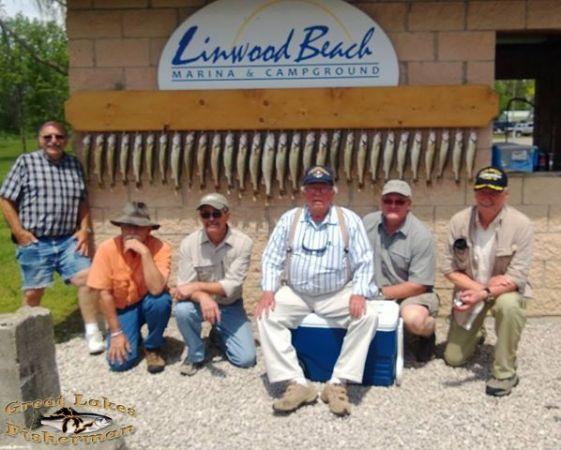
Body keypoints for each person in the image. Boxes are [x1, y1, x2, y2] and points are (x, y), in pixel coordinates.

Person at [255, 165, 378, 416]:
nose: (317, 193)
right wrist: (268, 291)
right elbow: (271, 258)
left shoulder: (349, 220)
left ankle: (338, 383)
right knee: (265, 315)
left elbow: (364, 261)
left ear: (333, 192)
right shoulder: (290, 220)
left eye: (323, 188)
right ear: (304, 192)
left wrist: (359, 292)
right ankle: (297, 382)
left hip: (336, 293)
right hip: (297, 293)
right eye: (312, 188)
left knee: (368, 317)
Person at [0, 121, 104, 355]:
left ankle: (92, 331)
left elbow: (83, 201)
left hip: (68, 240)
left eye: (58, 136)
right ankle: (25, 339)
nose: (53, 141)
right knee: (33, 292)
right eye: (47, 137)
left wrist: (84, 230)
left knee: (87, 279)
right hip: (35, 241)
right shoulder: (26, 162)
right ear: (40, 139)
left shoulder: (73, 164)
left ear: (65, 140)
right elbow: (5, 199)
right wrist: (19, 231)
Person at [442, 167, 533, 397]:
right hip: (472, 290)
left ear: (506, 194)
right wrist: (479, 290)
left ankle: (505, 373)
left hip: (503, 293)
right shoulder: (458, 221)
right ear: (474, 192)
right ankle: (477, 332)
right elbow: (448, 269)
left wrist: (485, 292)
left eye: (494, 191)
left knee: (510, 306)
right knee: (453, 358)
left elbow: (517, 276)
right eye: (482, 190)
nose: (487, 196)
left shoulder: (521, 224)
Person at [174, 193, 256, 376]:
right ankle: (195, 355)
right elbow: (183, 288)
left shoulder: (243, 243)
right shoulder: (189, 244)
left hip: (229, 305)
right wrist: (203, 297)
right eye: (205, 214)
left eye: (216, 213)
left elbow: (231, 286)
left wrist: (196, 287)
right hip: (198, 304)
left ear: (227, 215)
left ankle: (218, 335)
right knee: (182, 310)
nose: (211, 219)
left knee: (246, 359)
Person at [87, 201, 172, 373]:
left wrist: (145, 253)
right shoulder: (106, 249)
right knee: (119, 363)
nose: (132, 232)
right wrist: (116, 333)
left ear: (149, 230)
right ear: (121, 228)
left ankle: (153, 347)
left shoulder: (161, 248)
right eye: (127, 226)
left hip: (148, 301)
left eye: (138, 227)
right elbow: (104, 295)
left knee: (161, 301)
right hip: (123, 308)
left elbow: (156, 289)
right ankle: (134, 336)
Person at [363, 180, 439, 362]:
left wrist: (377, 294)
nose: (393, 205)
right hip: (375, 291)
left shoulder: (421, 236)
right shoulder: (367, 223)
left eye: (399, 201)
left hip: (411, 294)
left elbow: (418, 285)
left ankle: (426, 334)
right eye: (388, 200)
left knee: (414, 319)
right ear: (381, 203)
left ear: (409, 205)